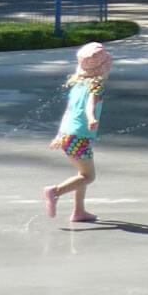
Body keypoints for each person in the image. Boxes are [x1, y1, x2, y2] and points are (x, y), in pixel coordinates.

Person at [43, 42, 113, 222]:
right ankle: (55, 192)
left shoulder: (77, 84)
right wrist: (91, 118)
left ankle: (79, 211)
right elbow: (90, 104)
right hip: (79, 137)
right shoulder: (97, 84)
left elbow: (69, 111)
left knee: (81, 174)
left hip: (69, 135)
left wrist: (59, 135)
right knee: (88, 176)